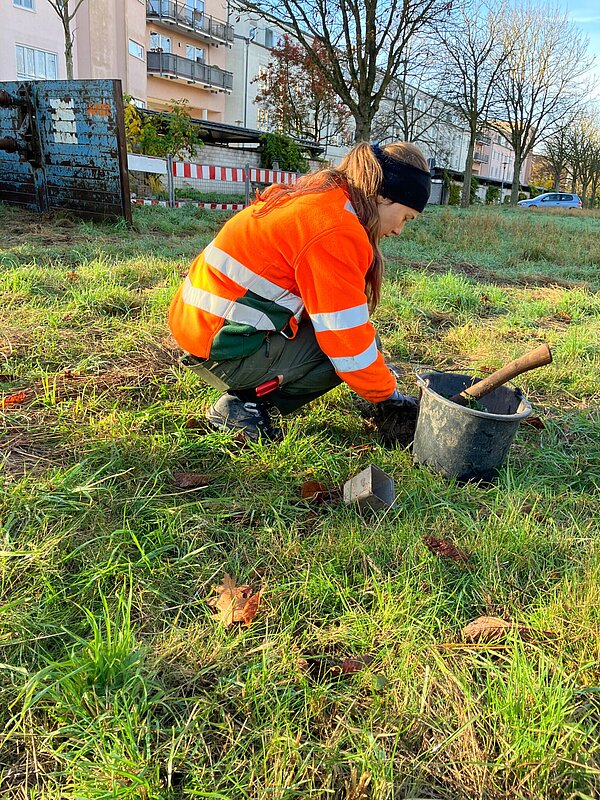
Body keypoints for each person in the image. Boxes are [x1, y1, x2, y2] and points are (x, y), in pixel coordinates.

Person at [168, 141, 431, 442]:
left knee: (359, 341)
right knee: (348, 349)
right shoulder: (335, 229)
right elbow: (348, 345)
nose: (399, 230)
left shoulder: (322, 197)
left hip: (201, 325)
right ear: (384, 196)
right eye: (406, 217)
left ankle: (249, 393)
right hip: (220, 343)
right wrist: (390, 398)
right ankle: (242, 405)